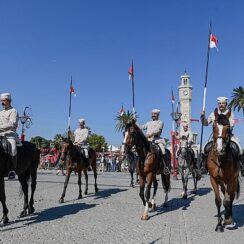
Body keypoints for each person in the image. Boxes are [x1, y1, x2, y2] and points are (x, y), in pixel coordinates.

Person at [0, 93, 19, 179]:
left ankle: (12, 170)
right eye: (1, 101)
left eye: (4, 101)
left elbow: (12, 124)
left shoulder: (13, 111)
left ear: (9, 101)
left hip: (10, 134)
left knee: (13, 148)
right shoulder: (1, 112)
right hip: (0, 133)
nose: (2, 102)